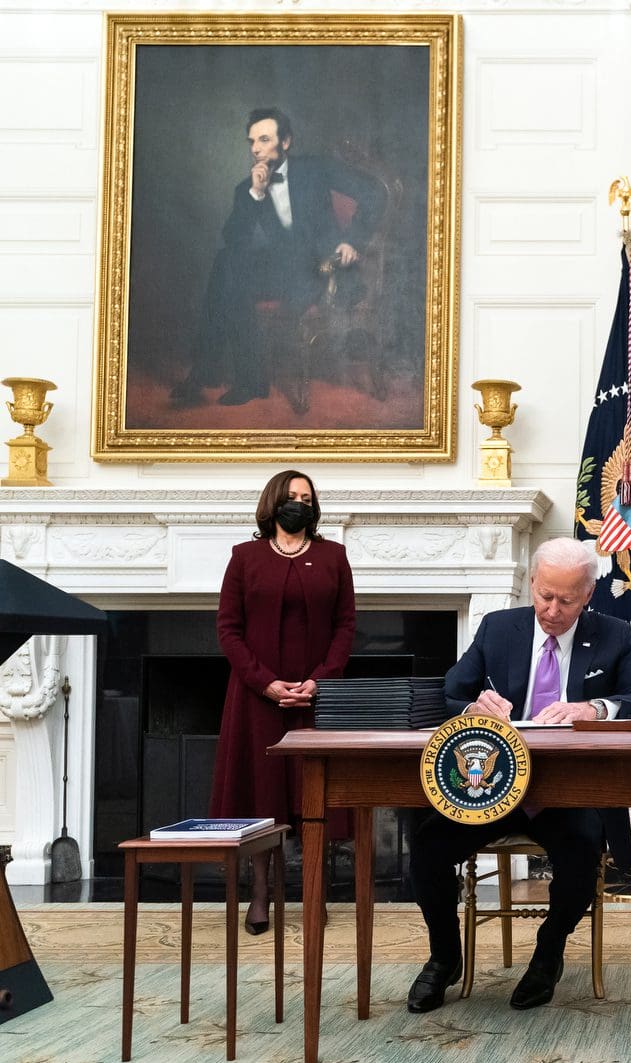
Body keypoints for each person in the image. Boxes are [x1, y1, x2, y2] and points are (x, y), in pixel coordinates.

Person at [405, 537, 631, 1015]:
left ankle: (549, 954)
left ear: (588, 594)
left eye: (566, 600)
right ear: (532, 584)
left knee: (583, 856)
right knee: (426, 849)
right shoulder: (498, 629)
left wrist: (594, 707)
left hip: (566, 794)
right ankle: (444, 957)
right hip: (492, 788)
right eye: (544, 595)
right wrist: (472, 705)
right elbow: (440, 698)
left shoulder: (612, 634)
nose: (551, 609)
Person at [209, 469, 355, 936]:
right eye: (292, 496)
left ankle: (316, 893)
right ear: (273, 503)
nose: (299, 503)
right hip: (257, 701)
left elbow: (345, 626)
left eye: (307, 497)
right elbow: (228, 630)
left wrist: (318, 681)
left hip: (317, 699)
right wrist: (266, 683)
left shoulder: (334, 557)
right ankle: (260, 896)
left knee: (313, 795)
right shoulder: (244, 557)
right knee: (263, 796)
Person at [172, 108, 386, 407]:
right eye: (251, 142)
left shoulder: (316, 168)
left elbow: (375, 192)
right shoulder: (247, 188)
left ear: (285, 142)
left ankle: (219, 373)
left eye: (264, 139)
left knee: (229, 274)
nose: (256, 149)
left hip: (322, 268)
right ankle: (242, 379)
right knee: (226, 263)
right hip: (284, 268)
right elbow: (235, 241)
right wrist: (256, 194)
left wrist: (352, 240)